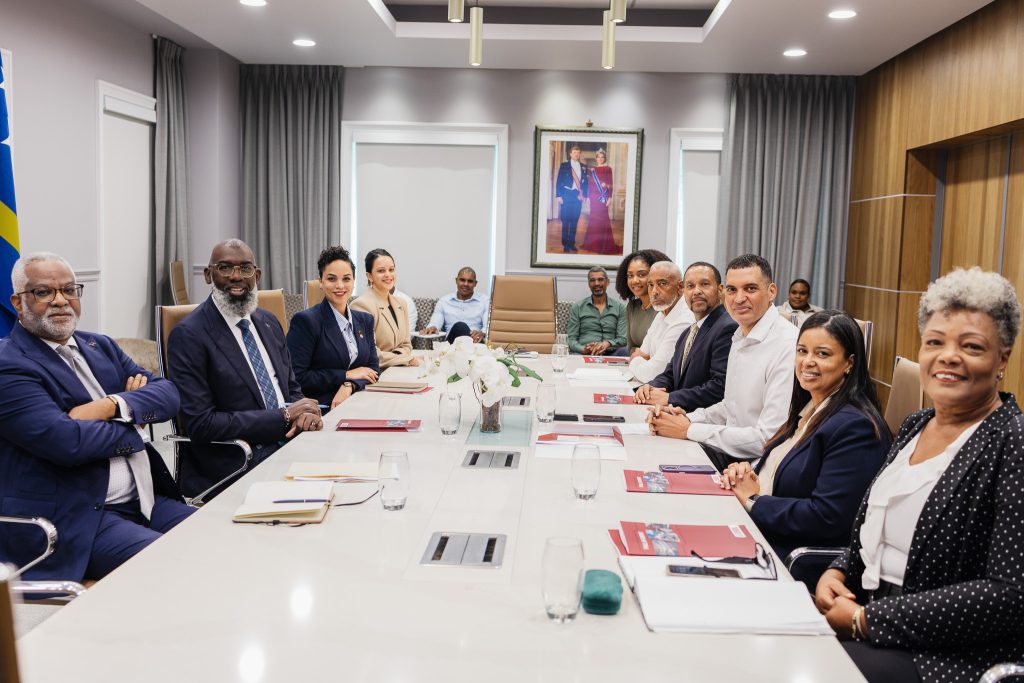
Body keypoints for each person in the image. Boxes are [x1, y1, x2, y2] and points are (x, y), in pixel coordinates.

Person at [814, 268, 1024, 683]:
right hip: (869, 618)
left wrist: (866, 620)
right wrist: (838, 570)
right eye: (935, 342)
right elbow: (874, 528)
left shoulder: (1013, 443)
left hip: (949, 654)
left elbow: (1010, 594)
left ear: (1002, 359)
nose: (948, 356)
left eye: (971, 346)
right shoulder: (916, 424)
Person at [0, 252, 192, 581]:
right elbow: (67, 442)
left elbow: (169, 394)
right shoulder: (9, 364)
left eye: (69, 290)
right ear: (18, 303)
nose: (61, 300)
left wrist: (111, 406)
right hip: (77, 520)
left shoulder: (99, 345)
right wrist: (136, 424)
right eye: (44, 292)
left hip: (145, 502)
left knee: (221, 538)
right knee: (176, 566)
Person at [718, 311, 890, 585]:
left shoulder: (856, 427)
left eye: (822, 354)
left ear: (849, 363)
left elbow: (828, 517)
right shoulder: (809, 408)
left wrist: (754, 501)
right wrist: (747, 473)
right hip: (758, 532)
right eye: (802, 351)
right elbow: (781, 467)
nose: (808, 361)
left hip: (787, 557)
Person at [167, 239, 323, 499]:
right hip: (237, 457)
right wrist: (283, 417)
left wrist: (303, 413)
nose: (236, 276)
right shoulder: (189, 335)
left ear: (257, 275)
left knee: (347, 457)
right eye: (225, 268)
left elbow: (291, 387)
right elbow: (201, 424)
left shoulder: (268, 322)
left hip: (288, 440)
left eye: (245, 268)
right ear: (208, 275)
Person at [647, 254, 797, 471]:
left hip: (757, 468)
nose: (739, 298)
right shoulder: (739, 335)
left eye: (750, 289)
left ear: (771, 291)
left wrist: (688, 430)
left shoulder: (787, 345)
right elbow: (730, 407)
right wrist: (685, 418)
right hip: (730, 453)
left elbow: (768, 438)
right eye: (733, 290)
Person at [634, 261, 737, 411]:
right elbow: (670, 374)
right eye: (690, 286)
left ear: (720, 290)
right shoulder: (688, 332)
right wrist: (650, 387)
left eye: (704, 284)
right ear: (683, 290)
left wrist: (670, 398)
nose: (696, 291)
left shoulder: (726, 327)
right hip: (678, 414)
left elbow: (719, 388)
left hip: (701, 419)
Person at [288, 246, 380, 409]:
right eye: (331, 279)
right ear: (321, 282)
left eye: (346, 279)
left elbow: (373, 370)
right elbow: (297, 377)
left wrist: (349, 384)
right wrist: (346, 375)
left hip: (361, 400)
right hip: (324, 408)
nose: (340, 285)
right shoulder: (306, 321)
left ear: (353, 281)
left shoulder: (365, 320)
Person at [351, 248, 420, 368]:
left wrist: (398, 358)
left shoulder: (401, 303)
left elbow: (406, 344)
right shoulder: (360, 305)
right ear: (369, 276)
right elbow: (368, 352)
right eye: (381, 271)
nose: (388, 275)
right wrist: (404, 359)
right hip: (376, 372)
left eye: (391, 270)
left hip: (400, 368)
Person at [627, 261, 695, 383]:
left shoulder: (684, 320)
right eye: (650, 285)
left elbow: (653, 374)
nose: (654, 292)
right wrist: (644, 360)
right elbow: (643, 353)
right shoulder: (661, 313)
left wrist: (635, 361)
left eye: (662, 283)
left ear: (680, 287)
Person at [614, 249, 670, 355]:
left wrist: (642, 354)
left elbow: (663, 350)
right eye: (630, 275)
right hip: (638, 361)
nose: (635, 280)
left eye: (641, 275)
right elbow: (631, 347)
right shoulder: (632, 306)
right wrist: (639, 354)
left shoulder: (664, 307)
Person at [419, 267, 489, 343]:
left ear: (475, 284)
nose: (466, 284)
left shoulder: (485, 301)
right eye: (462, 280)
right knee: (460, 326)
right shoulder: (444, 301)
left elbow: (488, 327)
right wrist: (433, 327)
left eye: (470, 281)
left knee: (464, 330)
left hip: (475, 342)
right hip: (452, 344)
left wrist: (482, 333)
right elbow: (435, 322)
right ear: (456, 281)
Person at [567, 266, 626, 355]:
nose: (596, 283)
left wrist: (608, 343)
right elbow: (571, 339)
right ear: (589, 284)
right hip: (585, 353)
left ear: (607, 282)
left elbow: (623, 339)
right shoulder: (577, 307)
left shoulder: (620, 308)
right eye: (592, 280)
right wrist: (583, 349)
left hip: (611, 352)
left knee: (625, 352)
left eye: (600, 279)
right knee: (574, 357)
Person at [580, 149, 617, 255]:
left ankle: (603, 245)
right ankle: (593, 244)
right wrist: (588, 197)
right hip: (594, 198)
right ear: (596, 158)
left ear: (604, 158)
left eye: (602, 157)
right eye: (598, 157)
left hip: (603, 197)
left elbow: (611, 184)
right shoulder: (592, 170)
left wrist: (609, 197)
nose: (600, 159)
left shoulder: (608, 169)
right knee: (594, 220)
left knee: (603, 220)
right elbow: (590, 185)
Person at [555, 143, 588, 253]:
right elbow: (559, 180)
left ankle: (571, 243)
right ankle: (565, 244)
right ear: (570, 154)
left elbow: (586, 183)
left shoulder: (584, 167)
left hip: (577, 196)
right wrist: (558, 195)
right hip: (566, 194)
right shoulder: (564, 165)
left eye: (578, 153)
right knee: (565, 220)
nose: (576, 154)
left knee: (574, 220)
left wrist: (585, 195)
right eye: (574, 152)